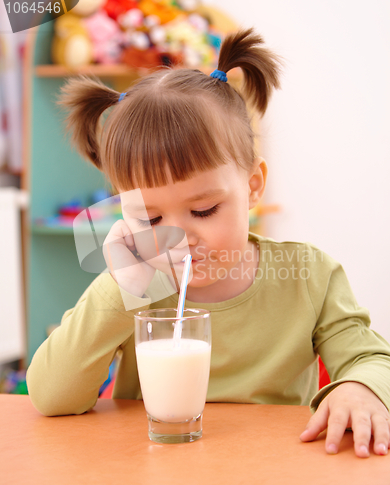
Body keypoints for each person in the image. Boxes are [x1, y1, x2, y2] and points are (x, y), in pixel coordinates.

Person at [26, 29, 390, 458]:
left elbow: (372, 360)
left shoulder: (309, 276)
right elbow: (51, 397)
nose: (178, 237)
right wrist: (124, 288)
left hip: (272, 473)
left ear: (253, 187)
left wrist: (360, 387)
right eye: (150, 217)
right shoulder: (139, 286)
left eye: (203, 211)